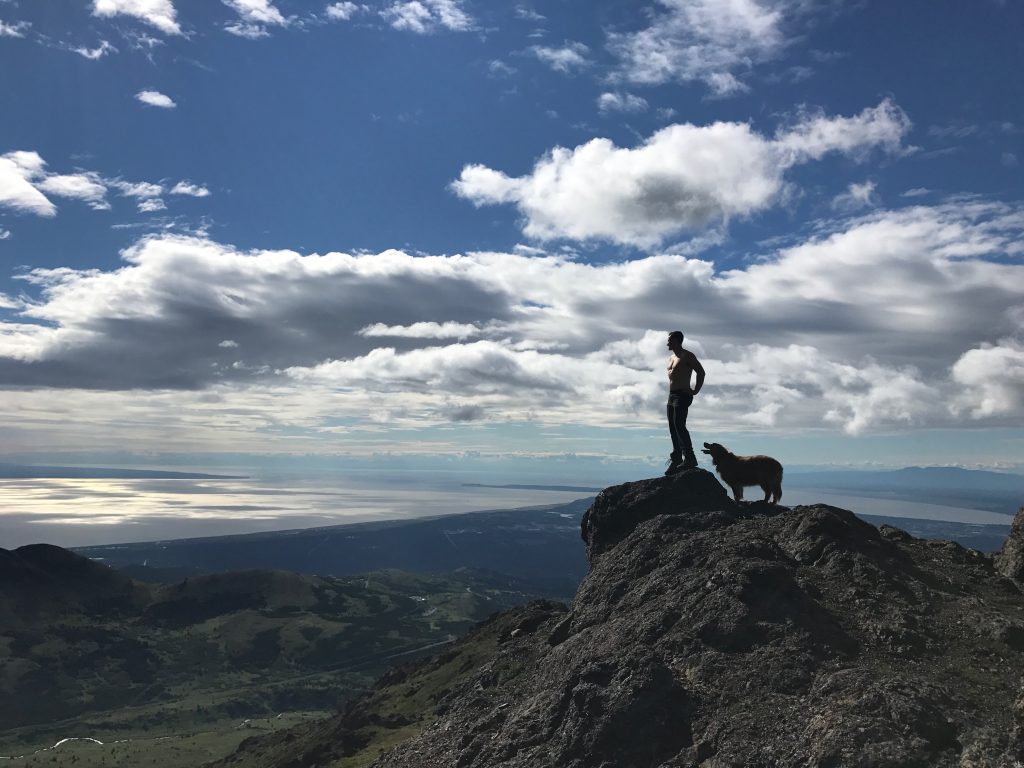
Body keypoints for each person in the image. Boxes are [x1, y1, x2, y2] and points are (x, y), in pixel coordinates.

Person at [665, 330, 705, 474]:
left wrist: (695, 390)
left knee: (679, 425)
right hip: (672, 395)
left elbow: (701, 372)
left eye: (669, 340)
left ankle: (689, 458)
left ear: (676, 340)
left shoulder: (687, 356)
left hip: (683, 394)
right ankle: (677, 459)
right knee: (673, 428)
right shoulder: (671, 358)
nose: (667, 342)